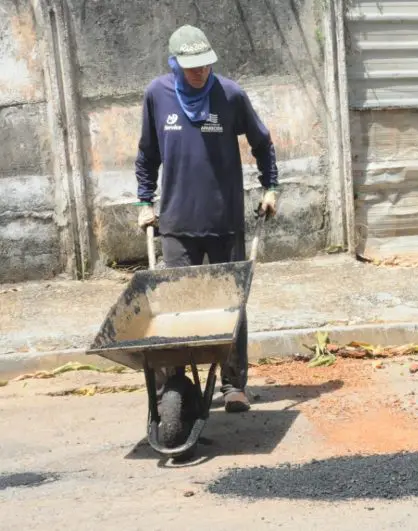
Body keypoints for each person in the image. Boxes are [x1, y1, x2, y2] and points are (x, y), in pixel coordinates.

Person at [134, 24, 279, 413]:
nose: (199, 73)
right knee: (173, 309)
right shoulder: (157, 95)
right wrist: (143, 202)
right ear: (175, 64)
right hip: (177, 225)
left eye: (205, 65)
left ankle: (233, 385)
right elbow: (147, 155)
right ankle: (174, 385)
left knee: (232, 305)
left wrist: (271, 187)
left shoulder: (230, 95)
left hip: (225, 221)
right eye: (191, 67)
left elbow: (262, 143)